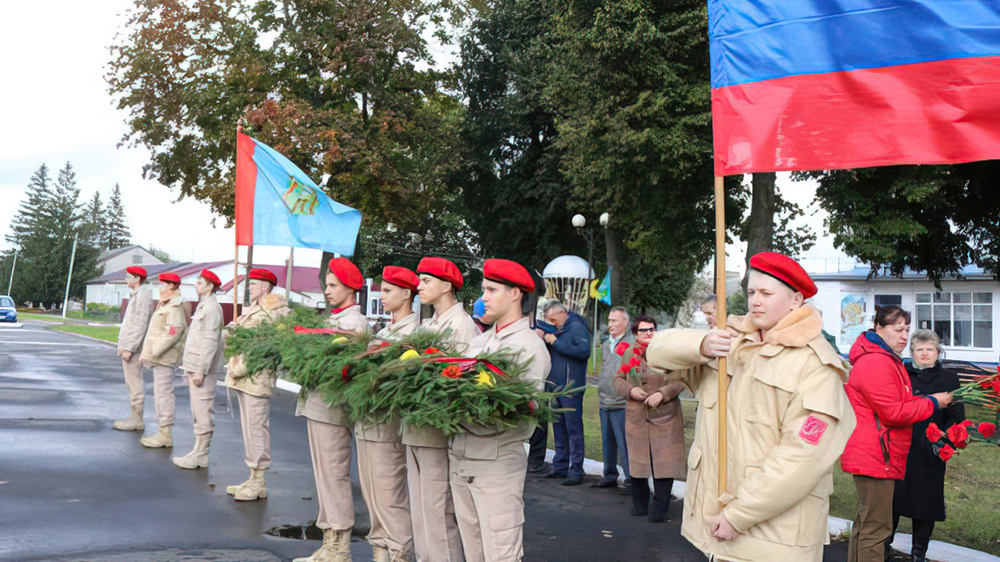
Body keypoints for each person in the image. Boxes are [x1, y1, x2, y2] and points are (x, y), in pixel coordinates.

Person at [646, 251, 856, 562]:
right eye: (752, 292)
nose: (755, 301)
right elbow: (656, 352)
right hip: (719, 529)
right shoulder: (730, 345)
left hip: (772, 539)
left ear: (796, 300)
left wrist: (740, 514)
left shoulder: (816, 365)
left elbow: (803, 457)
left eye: (767, 293)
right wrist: (700, 346)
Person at [450, 258, 551, 562]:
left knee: (500, 554)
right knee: (474, 553)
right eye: (484, 289)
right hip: (462, 458)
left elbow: (520, 411)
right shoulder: (479, 343)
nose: (483, 297)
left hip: (496, 463)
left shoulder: (529, 348)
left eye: (492, 289)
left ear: (516, 294)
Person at [841, 305, 953, 562]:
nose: (904, 335)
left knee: (865, 524)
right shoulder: (876, 361)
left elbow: (895, 403)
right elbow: (893, 412)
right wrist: (933, 402)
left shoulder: (881, 358)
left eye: (906, 330)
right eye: (897, 329)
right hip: (877, 454)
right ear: (879, 328)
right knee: (876, 529)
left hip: (876, 452)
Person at [294, 257, 368, 562]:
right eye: (326, 285)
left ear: (350, 289)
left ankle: (340, 546)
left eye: (333, 285)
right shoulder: (336, 319)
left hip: (333, 409)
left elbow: (341, 368)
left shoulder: (354, 322)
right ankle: (329, 541)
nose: (327, 290)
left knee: (334, 475)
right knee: (324, 476)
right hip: (319, 407)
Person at [407, 256, 476, 562]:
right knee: (421, 511)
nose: (419, 286)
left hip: (438, 428)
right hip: (416, 425)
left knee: (438, 511)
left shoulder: (461, 325)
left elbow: (458, 382)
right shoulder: (430, 323)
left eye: (426, 280)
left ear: (447, 285)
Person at [355, 266, 420, 562]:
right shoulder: (387, 329)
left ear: (407, 294)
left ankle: (399, 553)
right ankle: (380, 552)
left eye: (388, 290)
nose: (382, 296)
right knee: (373, 495)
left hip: (387, 425)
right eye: (382, 290)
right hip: (369, 423)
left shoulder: (413, 333)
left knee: (390, 496)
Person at [887, 330, 964, 562]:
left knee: (925, 503)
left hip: (931, 449)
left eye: (929, 349)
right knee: (893, 500)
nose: (924, 353)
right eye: (919, 349)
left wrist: (946, 442)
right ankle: (883, 549)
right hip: (900, 447)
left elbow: (957, 417)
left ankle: (918, 554)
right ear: (912, 353)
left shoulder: (949, 379)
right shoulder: (902, 375)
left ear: (937, 352)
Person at [223, 268, 292, 500]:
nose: (250, 288)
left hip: (256, 376)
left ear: (265, 286)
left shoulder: (275, 311)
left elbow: (267, 347)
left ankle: (260, 480)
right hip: (242, 376)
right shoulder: (253, 309)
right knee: (248, 429)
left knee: (257, 428)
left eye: (253, 284)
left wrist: (241, 368)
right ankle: (252, 477)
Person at [613, 315, 684, 523]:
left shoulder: (667, 352)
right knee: (638, 462)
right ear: (635, 334)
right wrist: (631, 389)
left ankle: (660, 510)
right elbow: (618, 379)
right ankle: (639, 506)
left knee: (664, 464)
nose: (648, 333)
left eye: (651, 329)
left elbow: (682, 378)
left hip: (665, 415)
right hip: (638, 416)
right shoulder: (629, 353)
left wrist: (663, 393)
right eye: (643, 330)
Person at [173, 270, 226, 469]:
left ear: (210, 286)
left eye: (200, 283)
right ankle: (197, 450)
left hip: (202, 369)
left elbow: (210, 340)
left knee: (203, 410)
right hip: (195, 365)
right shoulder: (204, 305)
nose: (197, 285)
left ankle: (201, 454)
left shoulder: (212, 308)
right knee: (197, 410)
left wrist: (200, 370)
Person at [540, 301, 590, 486]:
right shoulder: (560, 328)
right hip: (555, 385)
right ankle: (560, 466)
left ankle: (576, 469)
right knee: (559, 428)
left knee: (574, 429)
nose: (553, 323)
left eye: (554, 319)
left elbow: (583, 351)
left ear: (562, 313)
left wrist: (556, 342)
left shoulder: (577, 327)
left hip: (571, 386)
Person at [139, 272, 188, 449]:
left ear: (173, 287)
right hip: (159, 357)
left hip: (164, 358)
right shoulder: (165, 306)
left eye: (163, 285)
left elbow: (173, 334)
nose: (159, 289)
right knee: (160, 394)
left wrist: (154, 352)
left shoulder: (174, 308)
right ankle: (163, 432)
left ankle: (165, 435)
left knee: (164, 395)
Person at [592, 306, 633, 490]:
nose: (610, 324)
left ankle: (632, 479)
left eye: (615, 321)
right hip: (605, 399)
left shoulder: (632, 344)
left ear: (626, 322)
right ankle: (609, 475)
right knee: (607, 442)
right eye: (609, 321)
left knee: (624, 444)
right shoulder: (607, 342)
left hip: (621, 402)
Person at [113, 266, 155, 431]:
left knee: (134, 380)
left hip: (133, 347)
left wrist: (130, 347)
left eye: (129, 277)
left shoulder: (143, 295)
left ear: (138, 278)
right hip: (130, 344)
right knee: (131, 381)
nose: (127, 280)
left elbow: (140, 322)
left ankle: (137, 418)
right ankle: (134, 416)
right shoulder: (138, 294)